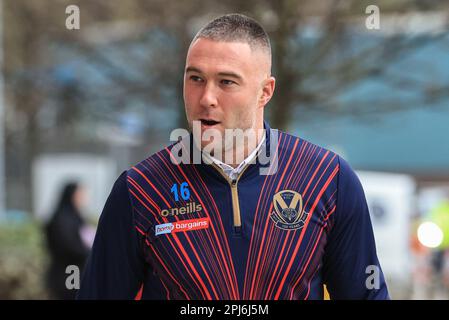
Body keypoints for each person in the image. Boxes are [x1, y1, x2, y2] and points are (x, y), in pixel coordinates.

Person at [78, 13, 389, 300]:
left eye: (226, 82)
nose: (206, 98)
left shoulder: (328, 180)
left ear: (265, 92)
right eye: (195, 78)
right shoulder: (140, 191)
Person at [45, 182, 91, 299]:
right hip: (68, 272)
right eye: (80, 194)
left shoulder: (75, 217)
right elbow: (69, 246)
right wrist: (90, 251)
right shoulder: (63, 219)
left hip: (76, 271)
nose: (84, 198)